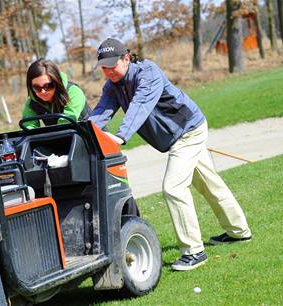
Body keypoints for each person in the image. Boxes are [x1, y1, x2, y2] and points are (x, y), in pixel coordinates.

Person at [89, 38, 252, 271]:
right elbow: (100, 114)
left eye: (112, 65)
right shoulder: (112, 87)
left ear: (126, 58)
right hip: (177, 136)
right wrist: (82, 133)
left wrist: (121, 136)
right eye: (104, 67)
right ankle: (239, 231)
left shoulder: (148, 73)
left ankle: (194, 252)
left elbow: (140, 105)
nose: (109, 71)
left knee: (173, 188)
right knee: (209, 184)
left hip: (189, 131)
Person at [22, 59, 91, 129]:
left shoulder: (73, 92)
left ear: (56, 82)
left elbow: (66, 122)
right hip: (59, 136)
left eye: (47, 86)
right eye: (37, 87)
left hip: (88, 134)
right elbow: (28, 126)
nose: (43, 91)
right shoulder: (32, 102)